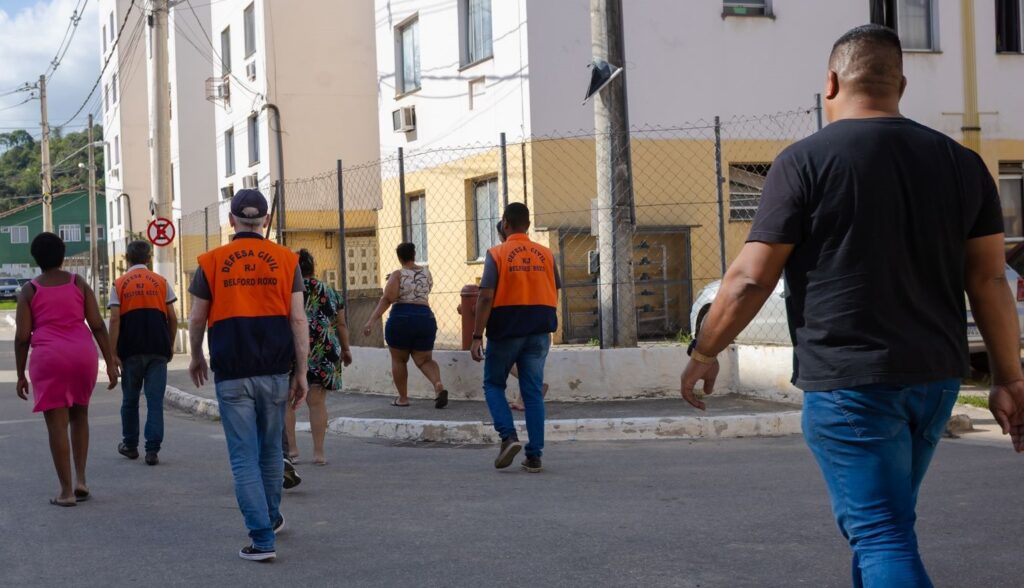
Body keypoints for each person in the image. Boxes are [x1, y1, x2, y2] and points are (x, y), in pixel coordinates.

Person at [679, 25, 1024, 587]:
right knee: (886, 527)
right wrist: (1009, 377)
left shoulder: (804, 162)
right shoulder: (963, 164)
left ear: (831, 83)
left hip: (852, 384)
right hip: (935, 380)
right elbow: (989, 279)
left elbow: (749, 278)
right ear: (901, 85)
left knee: (881, 533)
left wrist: (704, 350)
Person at [187, 189, 309, 562]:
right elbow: (298, 319)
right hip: (275, 371)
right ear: (266, 220)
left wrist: (196, 355)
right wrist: (302, 372)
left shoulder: (211, 262)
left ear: (231, 220)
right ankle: (269, 519)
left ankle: (262, 538)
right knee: (271, 451)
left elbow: (196, 317)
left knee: (244, 457)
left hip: (232, 373)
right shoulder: (287, 260)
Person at [14, 233, 119, 506]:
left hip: (49, 359)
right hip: (82, 356)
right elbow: (98, 325)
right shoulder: (78, 283)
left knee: (56, 425)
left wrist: (20, 374)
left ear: (36, 259)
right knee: (80, 415)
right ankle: (81, 480)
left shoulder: (30, 291)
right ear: (63, 256)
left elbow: (22, 337)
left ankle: (66, 492)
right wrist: (110, 362)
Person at [471, 203, 560, 473]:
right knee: (532, 392)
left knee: (493, 384)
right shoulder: (546, 254)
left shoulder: (496, 253)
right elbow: (555, 287)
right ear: (528, 225)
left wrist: (476, 335)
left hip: (506, 328)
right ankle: (534, 456)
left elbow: (485, 296)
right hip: (540, 329)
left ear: (505, 223)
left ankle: (508, 436)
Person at [109, 240, 178, 466]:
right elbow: (173, 317)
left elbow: (115, 319)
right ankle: (152, 450)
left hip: (130, 351)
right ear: (149, 259)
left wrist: (112, 353)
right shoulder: (161, 282)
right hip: (158, 349)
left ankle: (130, 445)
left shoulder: (119, 284)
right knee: (155, 401)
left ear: (127, 259)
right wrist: (169, 344)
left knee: (130, 400)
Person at [285, 249, 353, 465]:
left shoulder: (287, 289)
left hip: (294, 348)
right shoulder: (330, 290)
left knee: (287, 401)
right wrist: (346, 349)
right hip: (324, 349)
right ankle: (319, 453)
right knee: (316, 402)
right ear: (313, 268)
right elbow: (341, 324)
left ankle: (292, 451)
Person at [362, 242, 448, 409]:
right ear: (414, 255)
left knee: (399, 360)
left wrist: (371, 321)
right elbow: (422, 291)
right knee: (425, 360)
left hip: (401, 318)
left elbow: (388, 299)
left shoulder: (397, 275)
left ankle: (403, 398)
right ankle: (438, 384)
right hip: (425, 318)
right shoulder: (426, 273)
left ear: (399, 258)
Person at [493, 221, 549, 411]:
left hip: (512, 317)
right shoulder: (540, 253)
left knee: (506, 360)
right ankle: (522, 399)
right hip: (540, 315)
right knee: (527, 360)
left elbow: (492, 290)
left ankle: (532, 390)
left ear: (504, 230)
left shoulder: (499, 254)